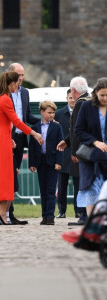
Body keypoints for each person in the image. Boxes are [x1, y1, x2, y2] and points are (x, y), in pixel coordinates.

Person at [0, 72, 43, 225]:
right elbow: (16, 121)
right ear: (12, 83)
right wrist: (34, 133)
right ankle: (2, 213)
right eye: (17, 82)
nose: (18, 85)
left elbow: (0, 122)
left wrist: (8, 137)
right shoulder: (6, 99)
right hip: (2, 141)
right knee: (5, 176)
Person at [57, 76, 89, 226]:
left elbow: (76, 130)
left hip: (82, 151)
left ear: (74, 91)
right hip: (91, 148)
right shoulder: (91, 101)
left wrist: (74, 152)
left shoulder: (79, 104)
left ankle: (83, 214)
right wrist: (66, 140)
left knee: (81, 183)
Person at [74, 77, 107, 216]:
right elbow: (79, 130)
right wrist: (95, 141)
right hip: (90, 155)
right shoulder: (86, 107)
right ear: (95, 93)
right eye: (102, 95)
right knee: (90, 188)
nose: (105, 98)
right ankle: (91, 222)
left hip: (105, 156)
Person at [29, 101, 64, 225]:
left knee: (50, 190)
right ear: (42, 112)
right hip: (40, 161)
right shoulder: (35, 128)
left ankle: (50, 216)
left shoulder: (57, 127)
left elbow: (61, 145)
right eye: (49, 112)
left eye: (53, 112)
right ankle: (44, 215)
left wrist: (59, 161)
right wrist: (31, 163)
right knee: (43, 190)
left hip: (52, 161)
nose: (52, 115)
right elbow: (32, 147)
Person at [55, 89, 79, 218]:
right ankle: (61, 211)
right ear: (66, 99)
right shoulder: (59, 114)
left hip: (76, 153)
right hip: (63, 153)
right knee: (62, 185)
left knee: (78, 185)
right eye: (70, 98)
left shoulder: (81, 113)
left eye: (74, 98)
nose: (72, 100)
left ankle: (78, 211)